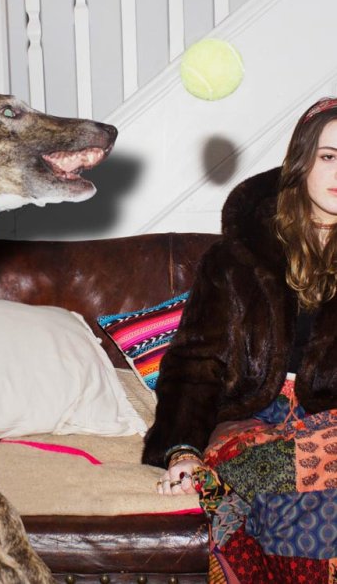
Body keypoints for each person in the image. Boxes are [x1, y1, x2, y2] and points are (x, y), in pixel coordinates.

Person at [142, 96, 337, 582]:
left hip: (331, 426)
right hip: (251, 420)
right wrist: (183, 448)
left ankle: (234, 486)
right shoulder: (234, 258)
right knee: (270, 461)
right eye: (331, 156)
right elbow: (194, 365)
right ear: (301, 160)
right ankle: (232, 476)